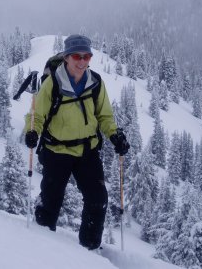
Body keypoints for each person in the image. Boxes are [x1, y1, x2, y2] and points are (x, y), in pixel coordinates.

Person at [24, 34, 130, 250]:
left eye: (86, 56)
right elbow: (37, 115)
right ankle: (39, 249)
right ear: (66, 58)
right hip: (57, 150)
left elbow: (105, 116)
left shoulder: (95, 83)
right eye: (76, 56)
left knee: (98, 199)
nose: (82, 61)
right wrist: (32, 131)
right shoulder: (53, 83)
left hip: (87, 151)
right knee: (51, 202)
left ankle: (88, 251)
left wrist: (114, 135)